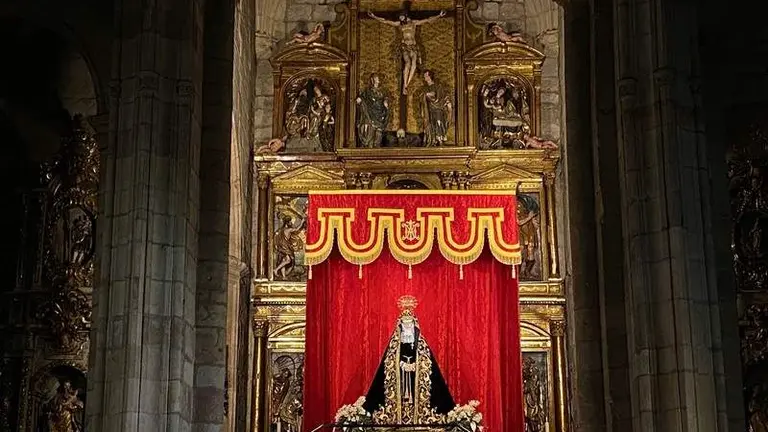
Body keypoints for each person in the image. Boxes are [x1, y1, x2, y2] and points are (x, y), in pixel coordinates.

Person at [363, 296, 455, 424]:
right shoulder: (394, 346)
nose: (407, 326)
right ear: (400, 325)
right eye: (404, 323)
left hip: (416, 377)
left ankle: (421, 417)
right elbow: (387, 365)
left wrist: (416, 365)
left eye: (409, 323)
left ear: (414, 324)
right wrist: (399, 364)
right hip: (399, 378)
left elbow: (428, 363)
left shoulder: (421, 345)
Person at [368, 10, 446, 95]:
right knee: (407, 63)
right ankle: (405, 85)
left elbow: (427, 20)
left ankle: (406, 85)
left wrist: (439, 15)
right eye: (400, 18)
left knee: (414, 65)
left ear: (405, 15)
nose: (401, 19)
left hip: (413, 47)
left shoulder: (414, 23)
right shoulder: (399, 24)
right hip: (405, 46)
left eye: (401, 17)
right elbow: (386, 21)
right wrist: (374, 16)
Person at [356, 73, 390, 147]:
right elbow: (363, 97)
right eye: (376, 78)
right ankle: (369, 146)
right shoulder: (368, 91)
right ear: (373, 80)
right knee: (370, 131)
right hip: (370, 114)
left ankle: (376, 146)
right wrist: (360, 98)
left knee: (378, 133)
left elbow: (386, 98)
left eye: (378, 78)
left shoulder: (383, 91)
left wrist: (385, 102)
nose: (378, 80)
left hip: (379, 113)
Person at [419, 70, 452, 146]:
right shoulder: (425, 89)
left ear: (430, 76)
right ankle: (432, 139)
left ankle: (440, 139)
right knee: (431, 124)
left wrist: (430, 96)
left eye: (426, 76)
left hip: (438, 109)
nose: (425, 77)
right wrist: (426, 95)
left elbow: (440, 97)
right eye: (424, 76)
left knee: (438, 122)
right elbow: (422, 98)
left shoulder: (438, 86)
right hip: (429, 110)